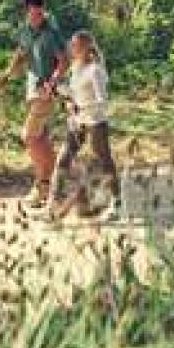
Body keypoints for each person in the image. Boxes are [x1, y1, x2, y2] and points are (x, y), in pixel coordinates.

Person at [0, 0, 68, 205]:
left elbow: (63, 62)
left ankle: (42, 186)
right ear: (26, 11)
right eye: (32, 13)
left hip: (46, 92)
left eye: (39, 12)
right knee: (40, 139)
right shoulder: (25, 31)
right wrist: (6, 75)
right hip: (31, 90)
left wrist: (52, 83)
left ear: (43, 10)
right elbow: (21, 52)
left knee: (28, 136)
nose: (36, 16)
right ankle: (54, 186)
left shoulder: (52, 33)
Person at [49, 30, 122, 221]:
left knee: (105, 160)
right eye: (71, 45)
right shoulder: (75, 67)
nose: (72, 49)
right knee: (62, 159)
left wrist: (81, 106)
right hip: (77, 122)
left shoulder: (95, 70)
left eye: (76, 45)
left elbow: (102, 100)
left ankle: (116, 204)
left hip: (95, 121)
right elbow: (74, 94)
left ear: (86, 47)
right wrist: (61, 94)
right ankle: (53, 206)